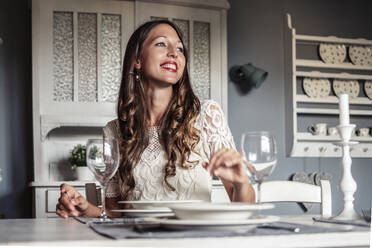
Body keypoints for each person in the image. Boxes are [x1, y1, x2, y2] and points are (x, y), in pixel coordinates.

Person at [56, 19, 255, 219]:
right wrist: (85, 208)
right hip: (137, 239)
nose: (174, 52)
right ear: (137, 60)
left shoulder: (206, 114)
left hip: (193, 238)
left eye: (180, 48)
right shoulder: (114, 130)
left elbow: (243, 207)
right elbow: (115, 213)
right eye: (161, 43)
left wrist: (241, 182)